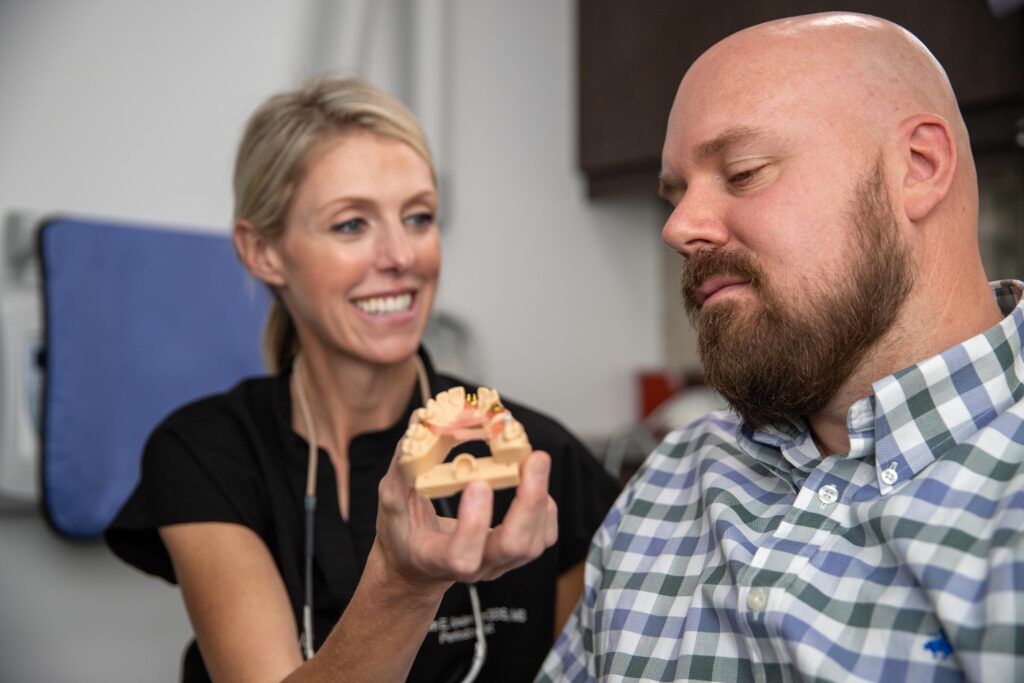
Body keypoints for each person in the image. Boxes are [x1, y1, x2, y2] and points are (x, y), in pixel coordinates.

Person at [539, 12, 1024, 682]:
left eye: (742, 172)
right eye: (674, 195)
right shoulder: (669, 482)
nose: (679, 227)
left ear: (918, 167)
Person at [105, 76, 620, 682]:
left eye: (419, 216)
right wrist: (404, 585)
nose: (402, 255)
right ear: (263, 251)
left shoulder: (541, 456)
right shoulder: (206, 453)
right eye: (351, 224)